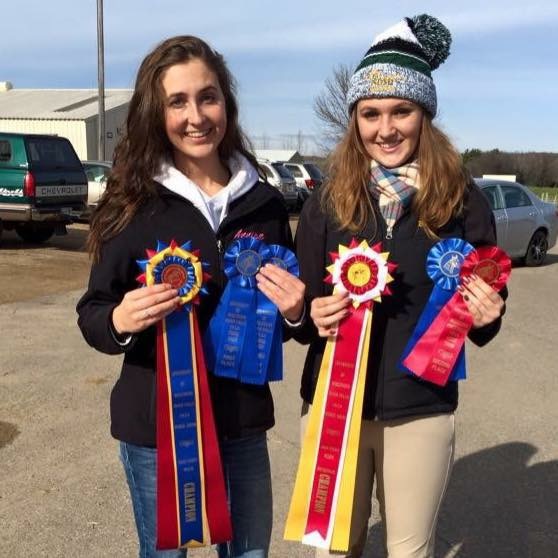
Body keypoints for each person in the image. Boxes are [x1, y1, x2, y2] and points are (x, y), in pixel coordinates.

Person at [76, 35, 305, 558]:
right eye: (177, 102)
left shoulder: (265, 203)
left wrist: (294, 312)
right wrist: (119, 319)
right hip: (156, 427)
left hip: (243, 421)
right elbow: (92, 313)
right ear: (155, 113)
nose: (196, 116)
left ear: (227, 103)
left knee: (250, 554)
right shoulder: (131, 202)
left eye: (208, 97)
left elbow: (286, 320)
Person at [293, 15, 507, 558]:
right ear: (355, 120)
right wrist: (307, 315)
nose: (385, 129)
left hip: (421, 408)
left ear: (424, 116)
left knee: (410, 552)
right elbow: (300, 310)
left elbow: (484, 306)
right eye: (371, 113)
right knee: (334, 550)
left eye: (401, 111)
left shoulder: (462, 201)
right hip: (335, 407)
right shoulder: (325, 202)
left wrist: (489, 315)